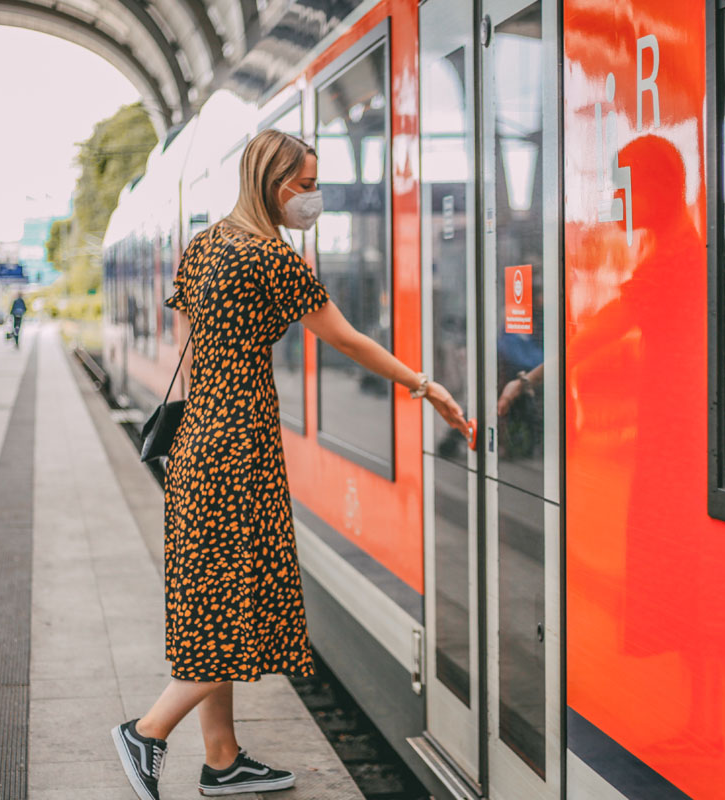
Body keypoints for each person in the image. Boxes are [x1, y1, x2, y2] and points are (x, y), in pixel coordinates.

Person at [111, 129, 468, 800]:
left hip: (198, 439)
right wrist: (426, 385)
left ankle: (222, 760)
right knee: (240, 606)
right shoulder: (272, 258)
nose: (313, 196)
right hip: (240, 445)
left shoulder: (206, 243)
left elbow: (193, 338)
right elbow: (350, 342)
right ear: (274, 184)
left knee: (214, 600)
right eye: (304, 184)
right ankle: (148, 731)